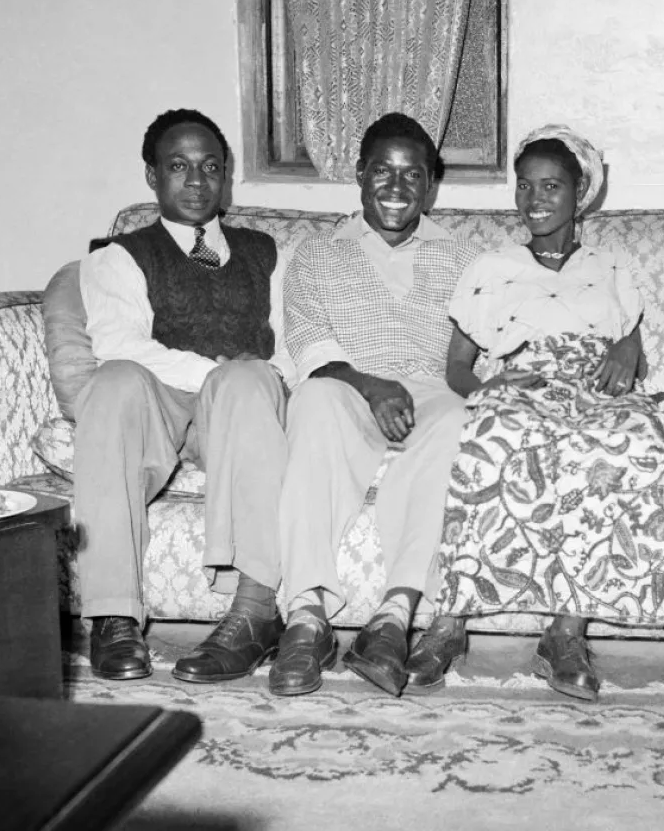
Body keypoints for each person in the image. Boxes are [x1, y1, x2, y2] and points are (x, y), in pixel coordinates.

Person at [406, 125, 664, 700]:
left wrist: (626, 346)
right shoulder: (490, 267)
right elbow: (456, 369)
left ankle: (565, 633)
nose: (535, 199)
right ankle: (449, 624)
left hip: (594, 386)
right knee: (491, 435)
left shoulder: (610, 264)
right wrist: (492, 384)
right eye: (525, 186)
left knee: (625, 443)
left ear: (578, 194)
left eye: (551, 186)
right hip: (523, 381)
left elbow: (631, 346)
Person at [267, 112, 478, 698]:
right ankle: (307, 616)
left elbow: (480, 348)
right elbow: (308, 340)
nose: (396, 187)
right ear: (359, 175)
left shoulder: (464, 260)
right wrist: (369, 384)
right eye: (382, 171)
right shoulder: (317, 253)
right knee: (311, 401)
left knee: (459, 422)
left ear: (430, 185)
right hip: (348, 383)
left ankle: (395, 615)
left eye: (413, 175)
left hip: (433, 391)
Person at [76, 109, 291, 682]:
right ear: (152, 176)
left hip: (245, 407)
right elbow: (121, 346)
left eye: (210, 167)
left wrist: (257, 375)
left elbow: (295, 339)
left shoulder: (267, 251)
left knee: (248, 381)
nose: (196, 181)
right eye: (178, 166)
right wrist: (212, 372)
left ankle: (254, 613)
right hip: (164, 399)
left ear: (227, 177)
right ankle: (113, 614)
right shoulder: (118, 255)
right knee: (113, 383)